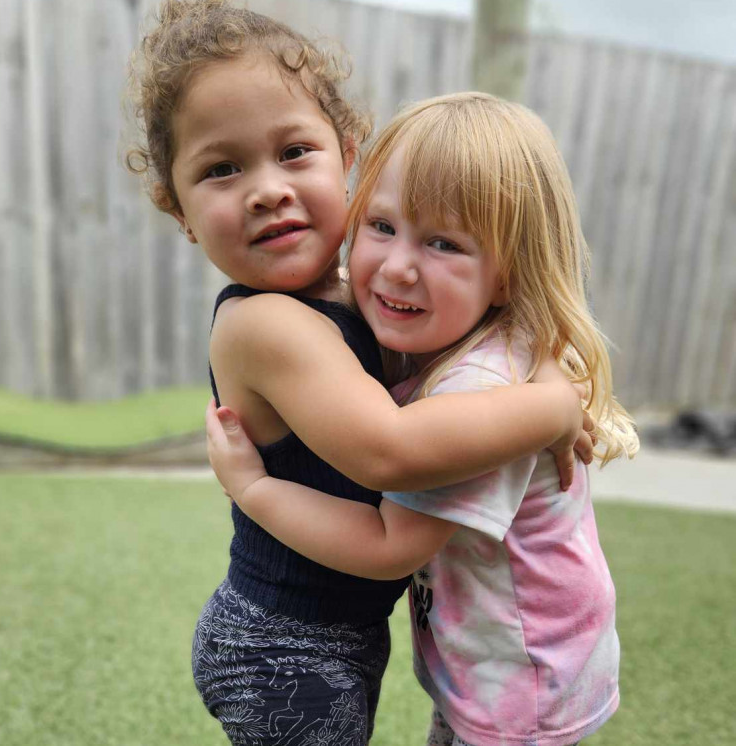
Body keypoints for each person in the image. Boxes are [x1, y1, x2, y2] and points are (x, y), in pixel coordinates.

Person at [126, 3, 590, 743]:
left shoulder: (352, 287)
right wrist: (556, 407)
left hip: (335, 637)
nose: (268, 188)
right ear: (178, 209)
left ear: (348, 159)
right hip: (284, 646)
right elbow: (392, 450)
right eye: (221, 169)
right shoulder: (265, 324)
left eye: (294, 152)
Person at [206, 92, 639, 746]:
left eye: (443, 242)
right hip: (490, 662)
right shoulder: (448, 330)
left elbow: (390, 544)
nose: (397, 267)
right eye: (381, 226)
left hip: (522, 684)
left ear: (508, 273)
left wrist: (254, 489)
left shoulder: (480, 388)